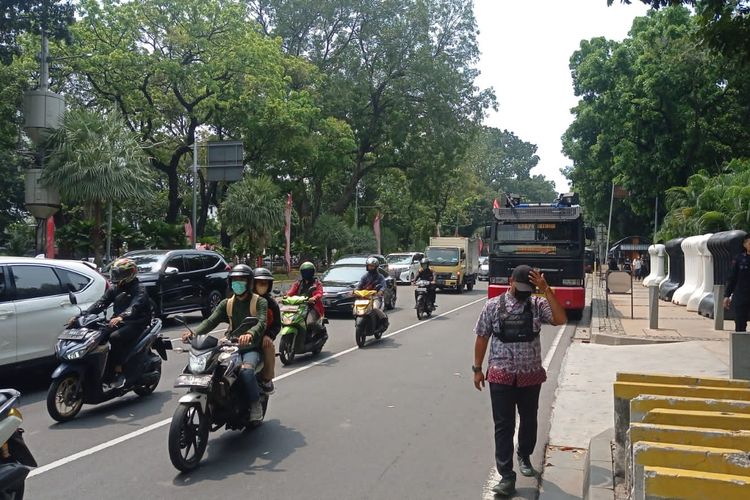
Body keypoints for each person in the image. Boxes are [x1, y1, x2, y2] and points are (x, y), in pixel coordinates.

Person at [472, 265, 567, 497]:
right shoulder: (493, 306)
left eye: (529, 289)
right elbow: (482, 336)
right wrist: (477, 368)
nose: (524, 293)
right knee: (503, 426)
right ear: (510, 281)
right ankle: (506, 476)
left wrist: (547, 290)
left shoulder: (537, 305)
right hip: (501, 375)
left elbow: (560, 319)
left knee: (529, 420)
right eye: (521, 287)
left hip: (529, 376)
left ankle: (524, 455)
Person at [181, 264, 267, 422]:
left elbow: (261, 322)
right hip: (229, 346)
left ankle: (255, 405)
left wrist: (249, 334)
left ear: (249, 282)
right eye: (235, 280)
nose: (238, 283)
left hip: (250, 348)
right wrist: (194, 333)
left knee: (246, 371)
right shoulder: (227, 303)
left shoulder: (259, 302)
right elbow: (210, 321)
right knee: (211, 368)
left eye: (242, 280)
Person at [79, 257, 152, 389]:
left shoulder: (139, 289)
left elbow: (135, 306)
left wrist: (121, 317)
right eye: (116, 273)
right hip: (119, 321)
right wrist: (82, 315)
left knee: (115, 338)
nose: (117, 277)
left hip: (136, 322)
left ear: (130, 273)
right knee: (96, 335)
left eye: (121, 274)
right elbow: (101, 303)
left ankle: (118, 371)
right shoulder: (115, 288)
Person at [253, 267, 280, 394]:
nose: (261, 286)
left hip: (262, 338)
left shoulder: (271, 304)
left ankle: (267, 379)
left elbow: (277, 325)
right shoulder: (243, 300)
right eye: (259, 283)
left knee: (269, 347)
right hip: (241, 338)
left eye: (265, 283)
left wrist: (269, 335)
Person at [286, 261, 325, 336]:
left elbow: (319, 293)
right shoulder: (298, 283)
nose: (307, 274)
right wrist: (286, 297)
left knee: (310, 323)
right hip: (298, 307)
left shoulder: (317, 283)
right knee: (289, 320)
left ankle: (320, 333)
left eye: (309, 272)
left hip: (312, 307)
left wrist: (314, 298)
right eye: (305, 272)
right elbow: (291, 292)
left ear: (313, 272)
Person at [724, 234, 750, 332]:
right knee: (740, 322)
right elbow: (732, 278)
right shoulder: (739, 259)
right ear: (745, 245)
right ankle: (740, 346)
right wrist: (727, 295)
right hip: (741, 295)